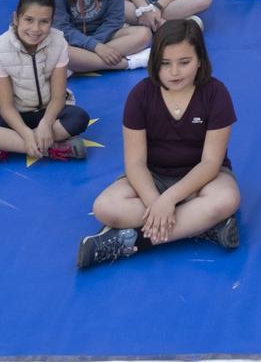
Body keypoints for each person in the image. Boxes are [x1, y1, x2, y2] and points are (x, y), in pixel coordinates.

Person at [77, 19, 241, 266]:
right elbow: (135, 162)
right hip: (151, 177)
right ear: (155, 62)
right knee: (105, 207)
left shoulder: (216, 94)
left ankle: (130, 243)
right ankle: (201, 227)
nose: (174, 72)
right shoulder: (141, 95)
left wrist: (169, 200)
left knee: (227, 199)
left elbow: (210, 163)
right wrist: (156, 202)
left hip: (202, 179)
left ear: (200, 61)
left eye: (184, 62)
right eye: (165, 63)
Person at [0, 0, 90, 166]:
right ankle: (52, 148)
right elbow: (6, 108)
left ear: (52, 22)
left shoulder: (58, 43)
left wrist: (46, 123)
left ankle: (3, 146)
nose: (35, 29)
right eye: (29, 20)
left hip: (48, 112)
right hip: (14, 115)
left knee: (80, 118)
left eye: (44, 22)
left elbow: (58, 97)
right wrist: (27, 134)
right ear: (16, 18)